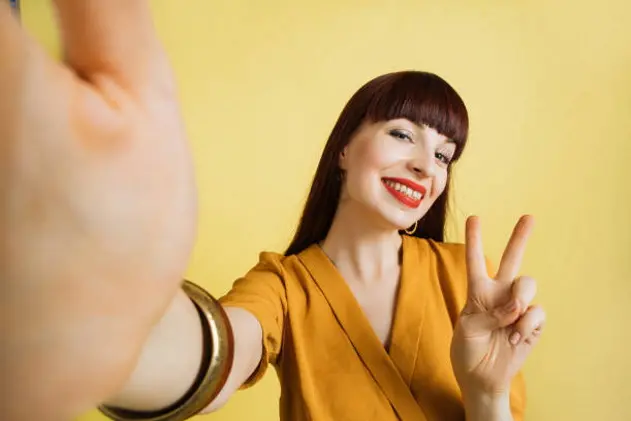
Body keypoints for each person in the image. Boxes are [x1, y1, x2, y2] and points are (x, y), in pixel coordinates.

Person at [0, 2, 545, 421]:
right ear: (345, 149)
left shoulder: (471, 286)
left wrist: (488, 394)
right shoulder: (284, 287)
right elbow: (215, 351)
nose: (426, 166)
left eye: (444, 155)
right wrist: (106, 332)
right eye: (403, 134)